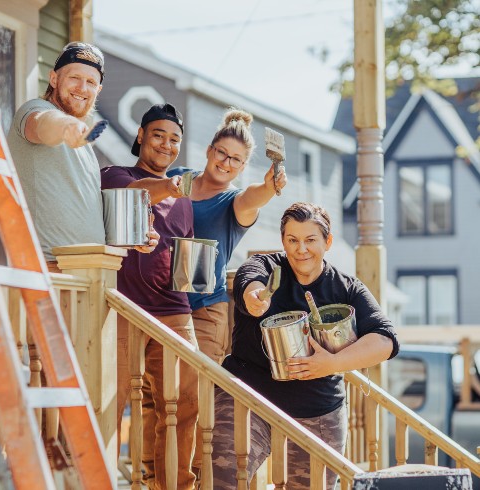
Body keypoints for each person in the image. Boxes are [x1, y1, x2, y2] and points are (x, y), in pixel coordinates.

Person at [211, 202, 400, 490]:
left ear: (328, 242)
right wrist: (255, 297)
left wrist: (333, 364)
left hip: (318, 410)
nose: (301, 249)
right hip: (248, 398)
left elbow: (385, 339)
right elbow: (249, 280)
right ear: (283, 240)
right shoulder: (265, 266)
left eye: (310, 240)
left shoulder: (348, 288)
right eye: (293, 240)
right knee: (220, 481)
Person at [167, 107, 287, 475]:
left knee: (190, 398)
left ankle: (188, 479)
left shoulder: (233, 202)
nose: (226, 162)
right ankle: (160, 477)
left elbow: (256, 196)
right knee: (161, 398)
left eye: (236, 160)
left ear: (242, 166)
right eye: (222, 153)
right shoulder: (176, 180)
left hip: (204, 310)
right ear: (208, 150)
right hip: (160, 303)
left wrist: (271, 185)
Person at [100, 103, 197, 490]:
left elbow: (184, 253)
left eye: (175, 139)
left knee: (184, 404)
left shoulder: (184, 201)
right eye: (158, 134)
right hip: (123, 306)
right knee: (112, 398)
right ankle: (99, 478)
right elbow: (134, 194)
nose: (167, 144)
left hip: (174, 310)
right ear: (140, 136)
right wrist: (171, 185)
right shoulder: (116, 175)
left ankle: (173, 485)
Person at [7, 41, 158, 269]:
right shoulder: (34, 110)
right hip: (48, 269)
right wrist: (66, 126)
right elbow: (43, 124)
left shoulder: (85, 144)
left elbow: (83, 214)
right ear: (54, 79)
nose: (82, 88)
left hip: (89, 270)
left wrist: (135, 235)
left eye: (90, 82)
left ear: (98, 90)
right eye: (74, 78)